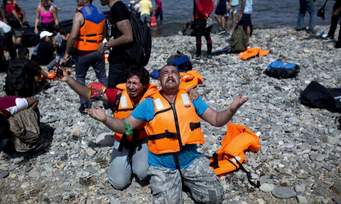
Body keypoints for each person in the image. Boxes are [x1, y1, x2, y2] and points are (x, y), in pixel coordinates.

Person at [87, 64, 248, 203]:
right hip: (162, 164)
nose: (170, 75)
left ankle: (184, 179)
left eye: (173, 72)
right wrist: (106, 119)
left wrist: (232, 108)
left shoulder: (191, 98)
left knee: (215, 198)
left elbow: (217, 119)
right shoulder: (148, 104)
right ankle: (175, 180)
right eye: (165, 73)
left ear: (179, 78)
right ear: (159, 81)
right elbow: (125, 126)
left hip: (189, 158)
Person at [61, 67, 157, 190]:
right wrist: (69, 80)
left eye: (135, 83)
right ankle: (120, 148)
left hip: (142, 139)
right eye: (129, 82)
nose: (130, 86)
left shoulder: (153, 99)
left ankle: (135, 158)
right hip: (123, 138)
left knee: (143, 174)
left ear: (144, 85)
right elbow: (89, 93)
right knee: (119, 183)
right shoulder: (117, 95)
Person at [62, 0, 107, 114]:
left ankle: (85, 104)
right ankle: (108, 101)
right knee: (101, 76)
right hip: (98, 50)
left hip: (83, 52)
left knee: (80, 77)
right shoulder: (101, 13)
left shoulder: (79, 15)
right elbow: (104, 33)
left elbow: (73, 36)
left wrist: (67, 53)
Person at [99, 0, 134, 88]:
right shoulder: (117, 8)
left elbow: (128, 36)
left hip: (122, 60)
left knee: (114, 91)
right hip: (120, 58)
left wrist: (106, 45)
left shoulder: (118, 8)